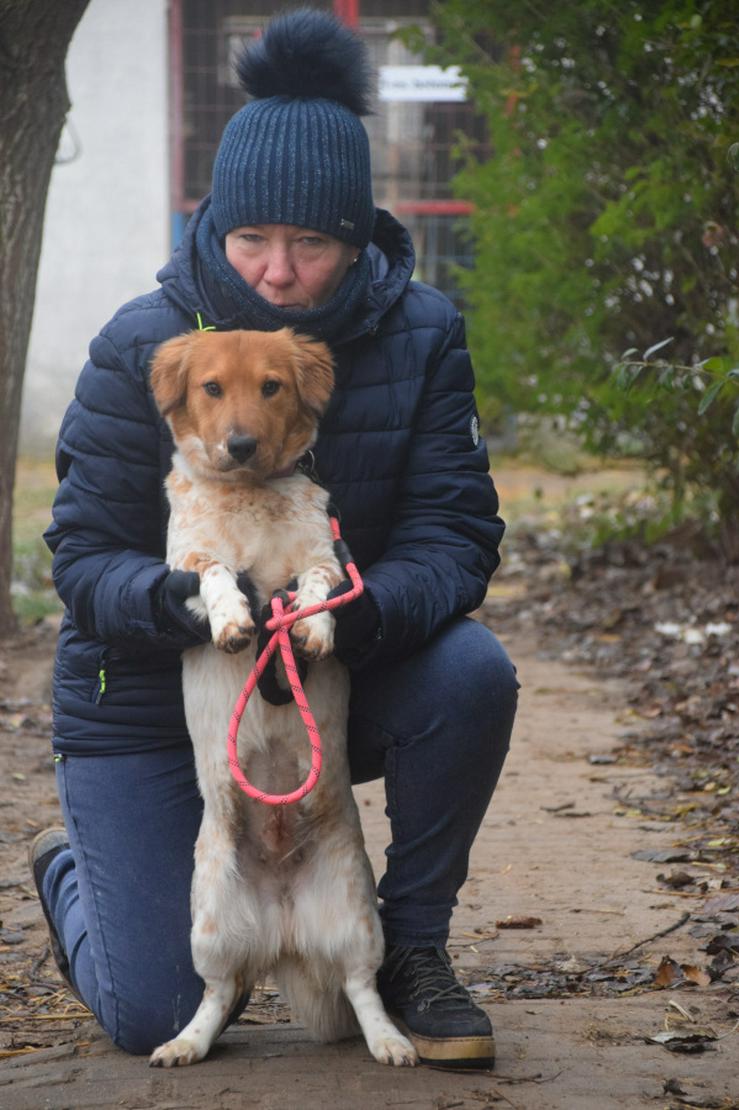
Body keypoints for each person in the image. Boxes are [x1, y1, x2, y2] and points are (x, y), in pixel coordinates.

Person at [31, 8, 518, 1071]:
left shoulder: (422, 333)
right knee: (153, 1008)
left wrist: (358, 608)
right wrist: (184, 603)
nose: (278, 270)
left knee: (472, 674)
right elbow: (80, 559)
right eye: (253, 238)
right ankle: (83, 871)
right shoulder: (138, 348)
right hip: (154, 708)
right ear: (216, 224)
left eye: (310, 243)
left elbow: (454, 530)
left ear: (355, 238)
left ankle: (413, 950)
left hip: (331, 670)